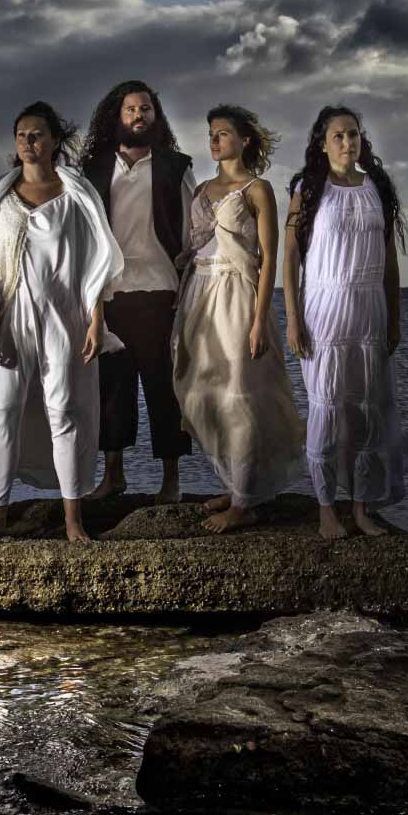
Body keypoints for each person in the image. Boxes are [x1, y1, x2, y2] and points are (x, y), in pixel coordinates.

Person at [0, 101, 123, 545]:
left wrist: (96, 319)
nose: (28, 142)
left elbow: (96, 263)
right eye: (21, 135)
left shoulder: (76, 195)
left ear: (55, 140)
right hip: (11, 313)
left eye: (37, 134)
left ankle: (74, 520)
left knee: (66, 411)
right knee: (4, 413)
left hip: (65, 313)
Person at [283, 105, 408, 540]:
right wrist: (293, 320)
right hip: (324, 310)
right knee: (326, 408)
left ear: (362, 139)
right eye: (338, 136)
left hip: (370, 312)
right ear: (322, 144)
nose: (347, 142)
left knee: (365, 414)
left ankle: (360, 509)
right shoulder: (308, 188)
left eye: (353, 134)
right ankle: (326, 509)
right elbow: (290, 257)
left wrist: (394, 319)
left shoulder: (377, 187)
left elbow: (390, 262)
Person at [173, 106, 305, 533]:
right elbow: (193, 248)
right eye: (211, 133)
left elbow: (268, 261)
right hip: (198, 293)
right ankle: (235, 485)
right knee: (201, 391)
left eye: (224, 133)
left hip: (236, 295)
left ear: (245, 140)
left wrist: (259, 319)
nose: (214, 140)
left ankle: (245, 502)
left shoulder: (257, 189)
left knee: (238, 394)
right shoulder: (202, 189)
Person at [80, 80, 195, 504]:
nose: (138, 116)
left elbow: (191, 232)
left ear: (155, 116)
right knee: (112, 389)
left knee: (164, 387)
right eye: (130, 109)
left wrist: (187, 285)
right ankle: (113, 476)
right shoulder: (93, 169)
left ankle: (171, 481)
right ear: (117, 116)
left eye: (145, 108)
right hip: (110, 293)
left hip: (160, 290)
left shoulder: (175, 167)